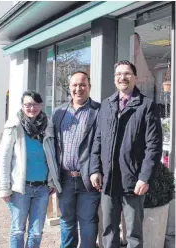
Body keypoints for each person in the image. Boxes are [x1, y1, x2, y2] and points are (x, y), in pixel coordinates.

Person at [90, 60, 162, 248]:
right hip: (108, 180)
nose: (123, 77)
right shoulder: (106, 105)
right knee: (108, 231)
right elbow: (98, 140)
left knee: (133, 234)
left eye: (127, 73)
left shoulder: (147, 106)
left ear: (135, 78)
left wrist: (145, 177)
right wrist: (95, 170)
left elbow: (153, 146)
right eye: (118, 74)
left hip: (133, 182)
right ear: (114, 79)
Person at [0, 90, 61, 248]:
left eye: (35, 104)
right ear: (22, 106)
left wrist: (52, 181)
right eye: (28, 105)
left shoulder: (48, 126)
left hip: (42, 188)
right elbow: (4, 158)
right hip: (20, 188)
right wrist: (4, 188)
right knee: (18, 230)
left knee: (37, 232)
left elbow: (52, 156)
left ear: (41, 105)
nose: (32, 108)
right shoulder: (14, 125)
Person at [52, 71, 101, 248]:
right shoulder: (58, 113)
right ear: (69, 88)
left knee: (88, 221)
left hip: (88, 179)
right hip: (64, 178)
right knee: (66, 221)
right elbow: (51, 146)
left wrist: (97, 170)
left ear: (89, 87)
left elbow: (102, 144)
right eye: (74, 85)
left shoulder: (99, 111)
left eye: (82, 85)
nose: (78, 89)